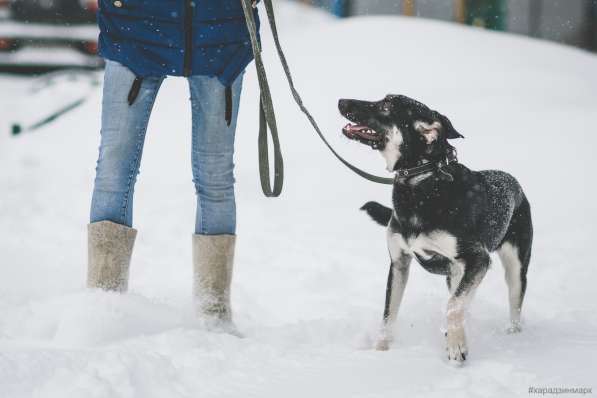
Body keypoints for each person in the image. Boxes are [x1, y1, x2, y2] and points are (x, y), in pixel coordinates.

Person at [87, 0, 259, 333]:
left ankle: (215, 309)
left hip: (218, 34)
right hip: (135, 29)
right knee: (114, 167)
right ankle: (100, 303)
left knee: (215, 173)